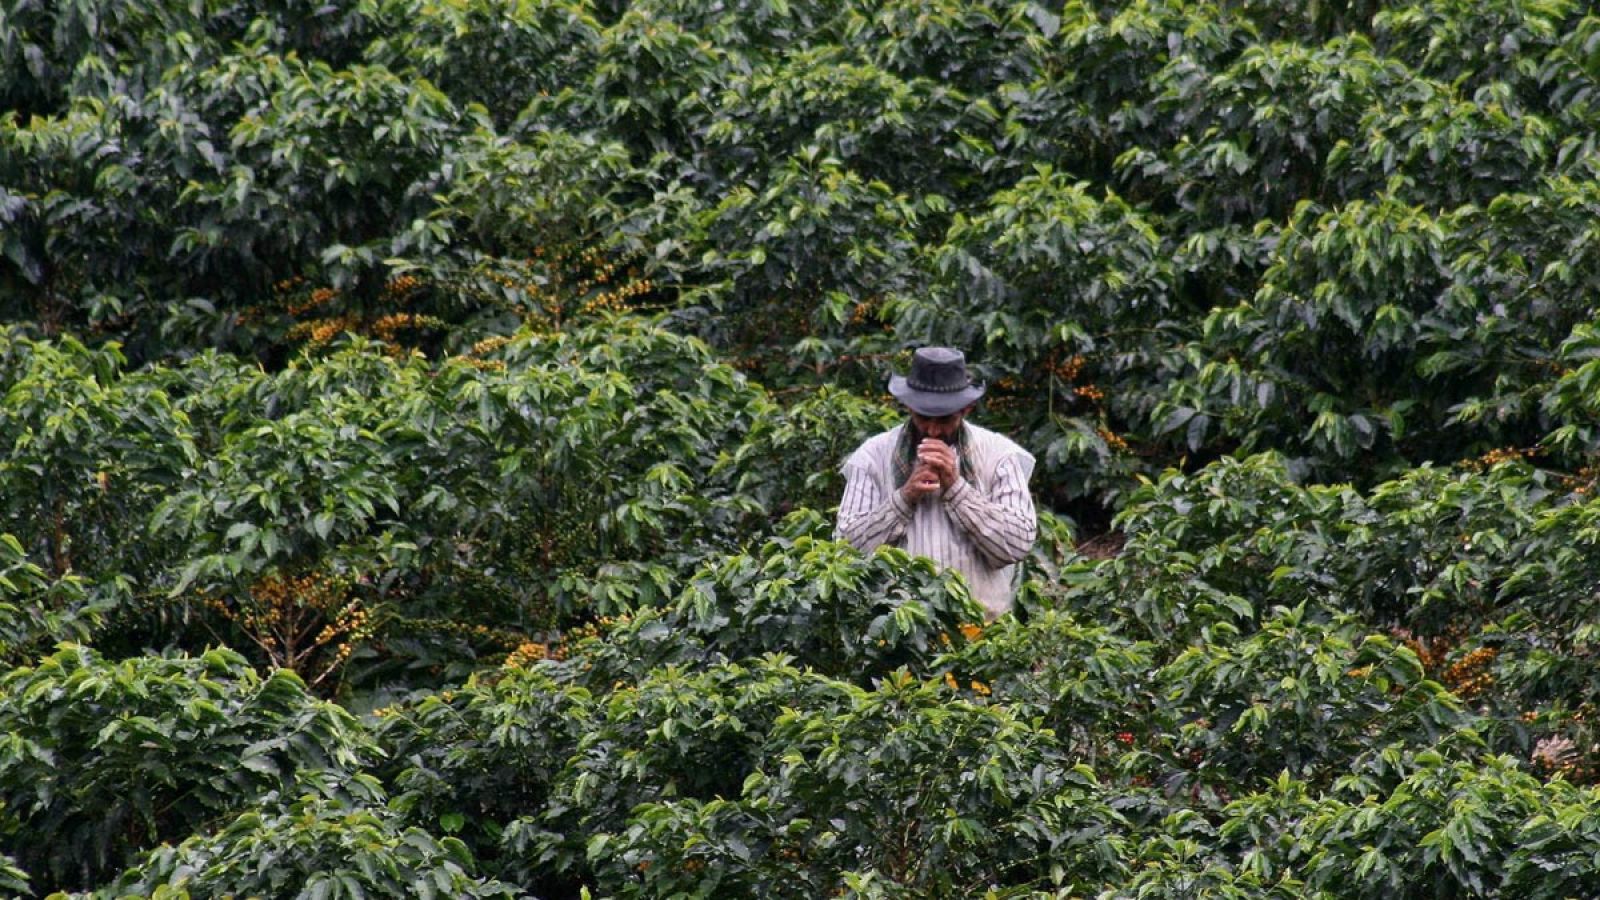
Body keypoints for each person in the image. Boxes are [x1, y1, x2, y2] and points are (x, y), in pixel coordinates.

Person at [835, 347, 1037, 620]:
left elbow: (1016, 545)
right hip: (898, 634)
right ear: (908, 406)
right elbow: (847, 550)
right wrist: (905, 497)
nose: (932, 430)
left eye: (944, 419)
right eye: (922, 416)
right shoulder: (872, 456)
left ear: (966, 408)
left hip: (981, 632)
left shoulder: (1000, 456)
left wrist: (956, 488)